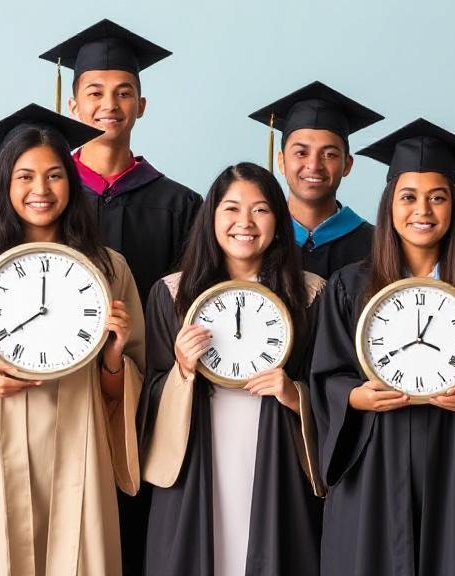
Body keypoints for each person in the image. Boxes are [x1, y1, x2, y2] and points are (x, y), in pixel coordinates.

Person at [0, 104, 144, 576]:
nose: (40, 190)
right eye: (24, 176)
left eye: (55, 176)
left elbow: (122, 392)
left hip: (77, 445)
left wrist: (115, 356)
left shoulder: (108, 268)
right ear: (4, 184)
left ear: (72, 182)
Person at [310, 119, 455, 575]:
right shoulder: (350, 286)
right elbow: (325, 375)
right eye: (408, 197)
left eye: (437, 197)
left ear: (454, 206)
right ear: (390, 205)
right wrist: (354, 396)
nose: (422, 210)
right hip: (374, 462)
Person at [139, 162, 325, 576]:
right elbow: (147, 389)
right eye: (231, 209)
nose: (245, 222)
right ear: (211, 219)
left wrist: (294, 394)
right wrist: (182, 371)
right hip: (196, 456)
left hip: (279, 457)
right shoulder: (172, 294)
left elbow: (330, 386)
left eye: (260, 210)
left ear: (278, 222)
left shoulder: (310, 294)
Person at [40, 18, 202, 306]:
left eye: (124, 93)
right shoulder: (46, 195)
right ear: (73, 107)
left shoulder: (181, 205)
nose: (110, 105)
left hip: (150, 350)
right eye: (95, 93)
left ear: (140, 106)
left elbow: (186, 299)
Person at [250, 81, 383, 278]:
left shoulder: (377, 246)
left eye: (329, 154)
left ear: (347, 165)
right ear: (281, 162)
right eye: (301, 153)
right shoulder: (256, 240)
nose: (314, 165)